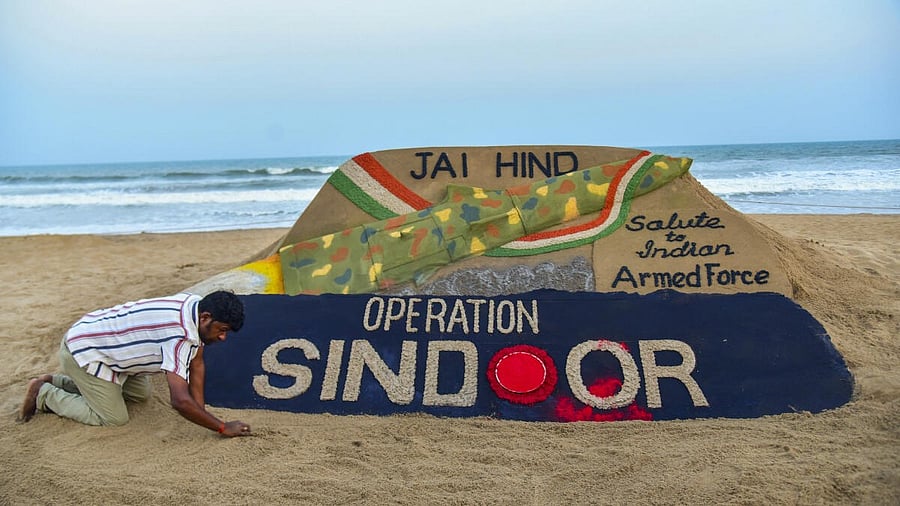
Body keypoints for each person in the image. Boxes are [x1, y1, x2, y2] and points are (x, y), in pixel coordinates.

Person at [19, 290, 252, 437]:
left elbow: (196, 362)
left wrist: (200, 412)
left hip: (106, 343)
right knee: (113, 418)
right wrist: (222, 427)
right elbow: (180, 401)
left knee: (140, 395)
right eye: (222, 330)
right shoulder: (179, 336)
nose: (223, 337)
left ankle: (56, 381)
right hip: (85, 350)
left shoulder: (194, 303)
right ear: (205, 318)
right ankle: (45, 394)